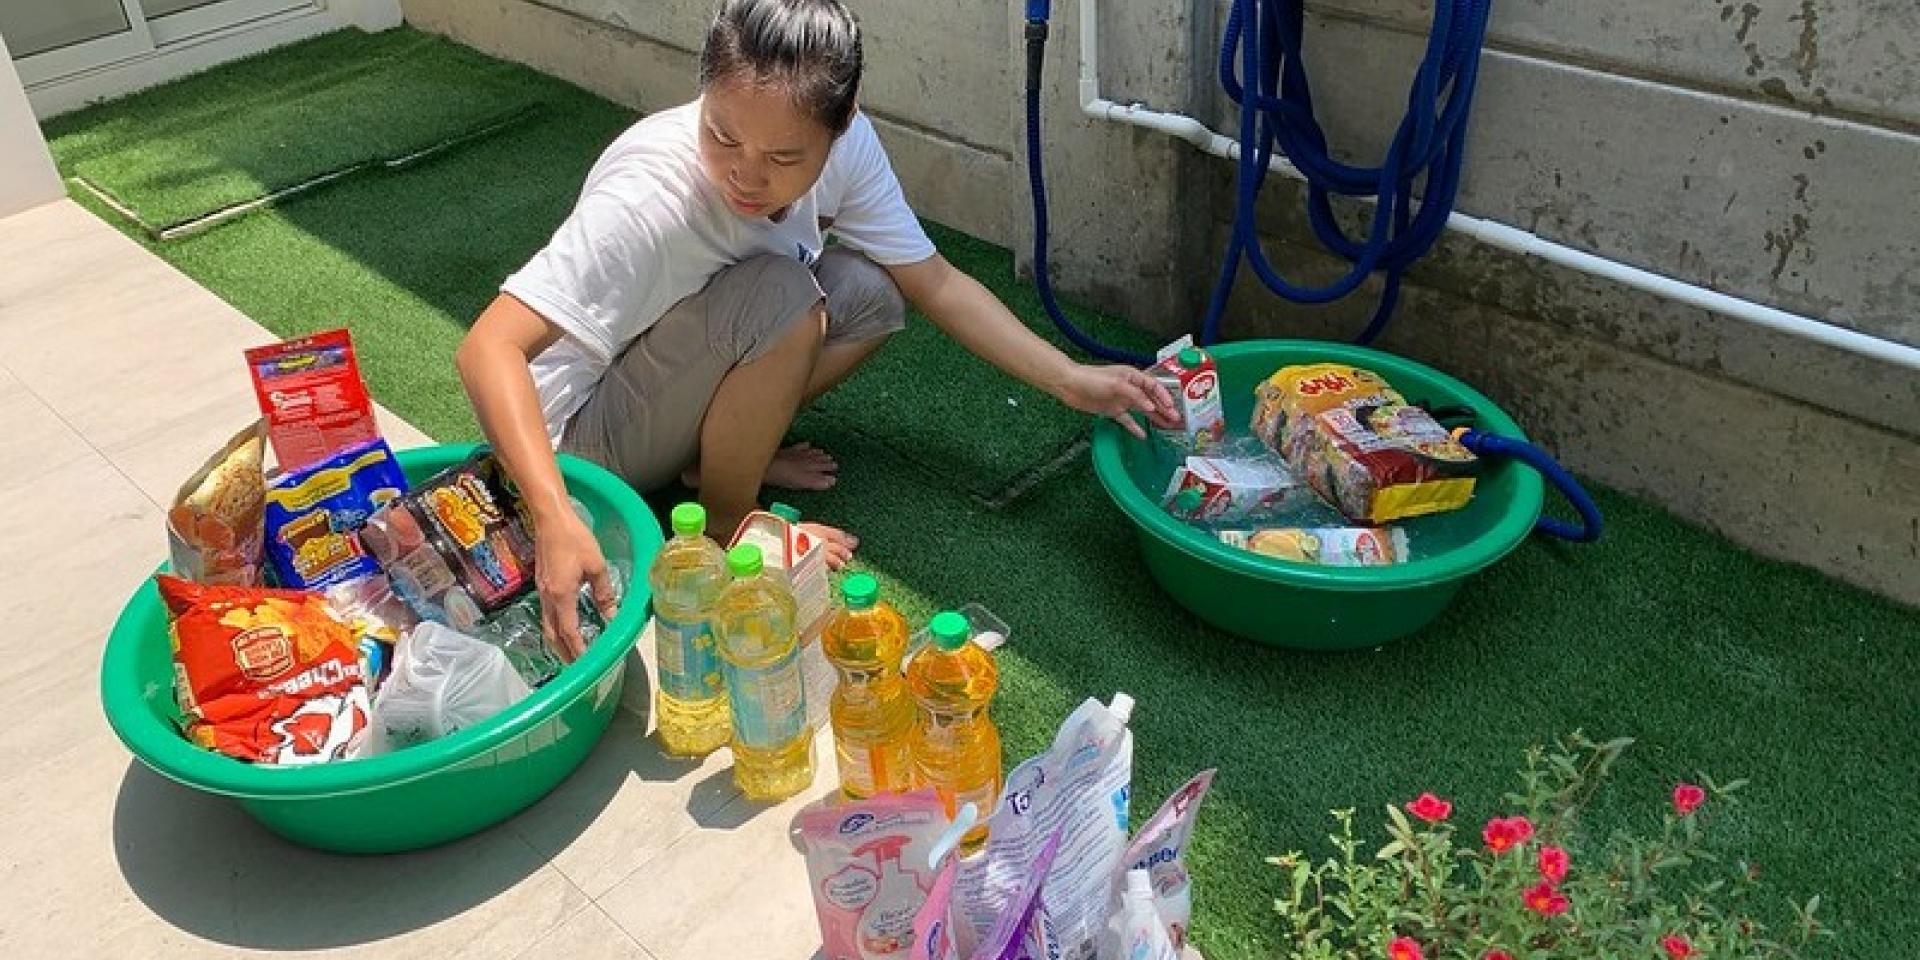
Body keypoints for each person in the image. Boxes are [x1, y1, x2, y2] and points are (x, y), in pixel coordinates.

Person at [457, 0, 1175, 657]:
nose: (743, 174)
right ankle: (727, 520)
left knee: (867, 293)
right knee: (780, 294)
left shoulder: (850, 148)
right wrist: (553, 515)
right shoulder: (649, 196)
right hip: (575, 445)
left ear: (842, 122)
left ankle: (720, 455)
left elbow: (935, 283)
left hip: (668, 372)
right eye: (723, 135)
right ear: (704, 90)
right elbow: (489, 348)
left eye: (783, 158)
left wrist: (1072, 380)